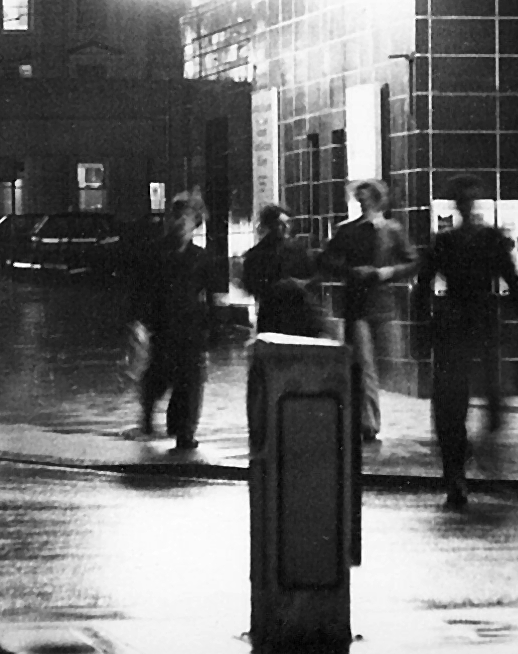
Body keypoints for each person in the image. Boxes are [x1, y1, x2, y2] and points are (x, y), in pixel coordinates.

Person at [416, 175, 518, 509]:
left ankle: (457, 474)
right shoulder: (489, 239)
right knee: (486, 399)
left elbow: (422, 287)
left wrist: (421, 332)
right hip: (481, 322)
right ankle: (470, 466)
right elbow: (511, 278)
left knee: (452, 406)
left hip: (453, 324)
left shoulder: (444, 242)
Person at [318, 179, 416, 442]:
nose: (363, 203)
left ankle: (364, 415)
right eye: (359, 199)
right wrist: (350, 272)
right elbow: (325, 259)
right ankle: (368, 422)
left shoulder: (392, 230)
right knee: (364, 365)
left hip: (382, 303)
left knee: (384, 363)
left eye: (367, 198)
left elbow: (411, 261)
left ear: (377, 199)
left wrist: (386, 272)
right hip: (357, 305)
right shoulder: (347, 231)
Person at [128, 195, 222, 452]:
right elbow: (140, 290)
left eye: (187, 218)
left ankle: (185, 432)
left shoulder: (201, 257)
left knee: (191, 381)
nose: (181, 223)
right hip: (162, 326)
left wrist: (213, 326)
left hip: (191, 328)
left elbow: (211, 294)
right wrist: (139, 323)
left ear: (195, 224)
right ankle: (149, 416)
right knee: (158, 376)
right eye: (177, 217)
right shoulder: (154, 252)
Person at [243, 204, 332, 339]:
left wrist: (300, 283)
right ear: (270, 225)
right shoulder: (256, 254)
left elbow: (313, 275)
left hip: (299, 313)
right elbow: (252, 285)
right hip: (273, 315)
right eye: (280, 223)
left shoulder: (297, 250)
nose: (285, 227)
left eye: (287, 223)